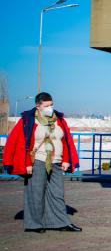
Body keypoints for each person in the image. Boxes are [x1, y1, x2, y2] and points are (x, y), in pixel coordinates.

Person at [3, 92, 82, 233]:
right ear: (38, 106)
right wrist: (27, 163)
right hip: (37, 161)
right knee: (36, 193)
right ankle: (34, 225)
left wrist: (66, 160)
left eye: (51, 105)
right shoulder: (28, 120)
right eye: (47, 105)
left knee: (57, 193)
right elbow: (18, 142)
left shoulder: (59, 120)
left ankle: (60, 222)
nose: (50, 108)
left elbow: (65, 141)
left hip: (56, 162)